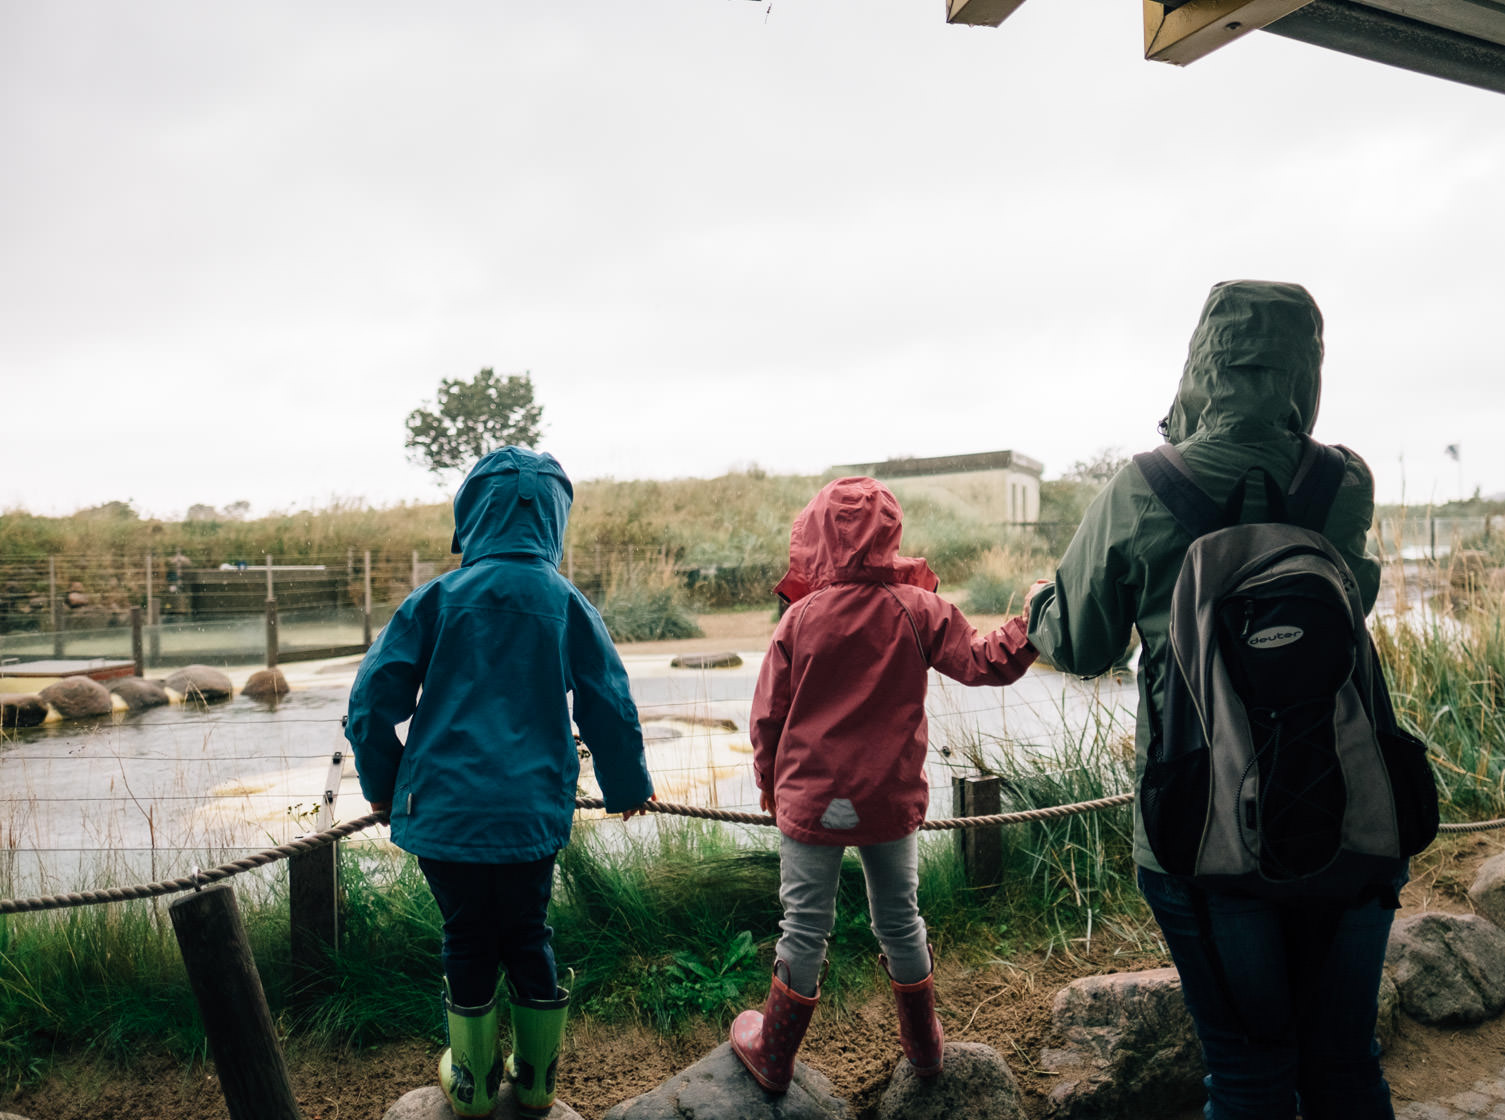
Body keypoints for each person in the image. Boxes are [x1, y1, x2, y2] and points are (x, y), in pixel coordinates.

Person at [1026, 280, 1393, 1120]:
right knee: (1344, 1064)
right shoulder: (1344, 483)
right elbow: (1351, 601)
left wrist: (1037, 607)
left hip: (1203, 824)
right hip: (1351, 811)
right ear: (1307, 368)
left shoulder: (1144, 485)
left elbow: (1082, 642)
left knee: (1246, 1069)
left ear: (1201, 365)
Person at [346, 446, 654, 1120]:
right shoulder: (568, 603)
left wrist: (384, 783)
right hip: (530, 815)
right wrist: (628, 785)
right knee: (527, 931)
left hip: (444, 814)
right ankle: (539, 1080)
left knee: (465, 935)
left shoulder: (435, 600)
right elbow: (608, 702)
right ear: (554, 520)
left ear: (472, 516)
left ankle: (476, 1083)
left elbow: (371, 702)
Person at [730, 476, 1039, 1093]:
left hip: (813, 802)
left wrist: (769, 783)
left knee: (804, 926)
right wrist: (1031, 621)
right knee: (900, 920)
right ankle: (925, 1050)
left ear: (814, 538)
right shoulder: (917, 609)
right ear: (889, 534)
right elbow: (983, 661)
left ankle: (774, 1054)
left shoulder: (800, 619)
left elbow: (767, 715)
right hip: (889, 800)